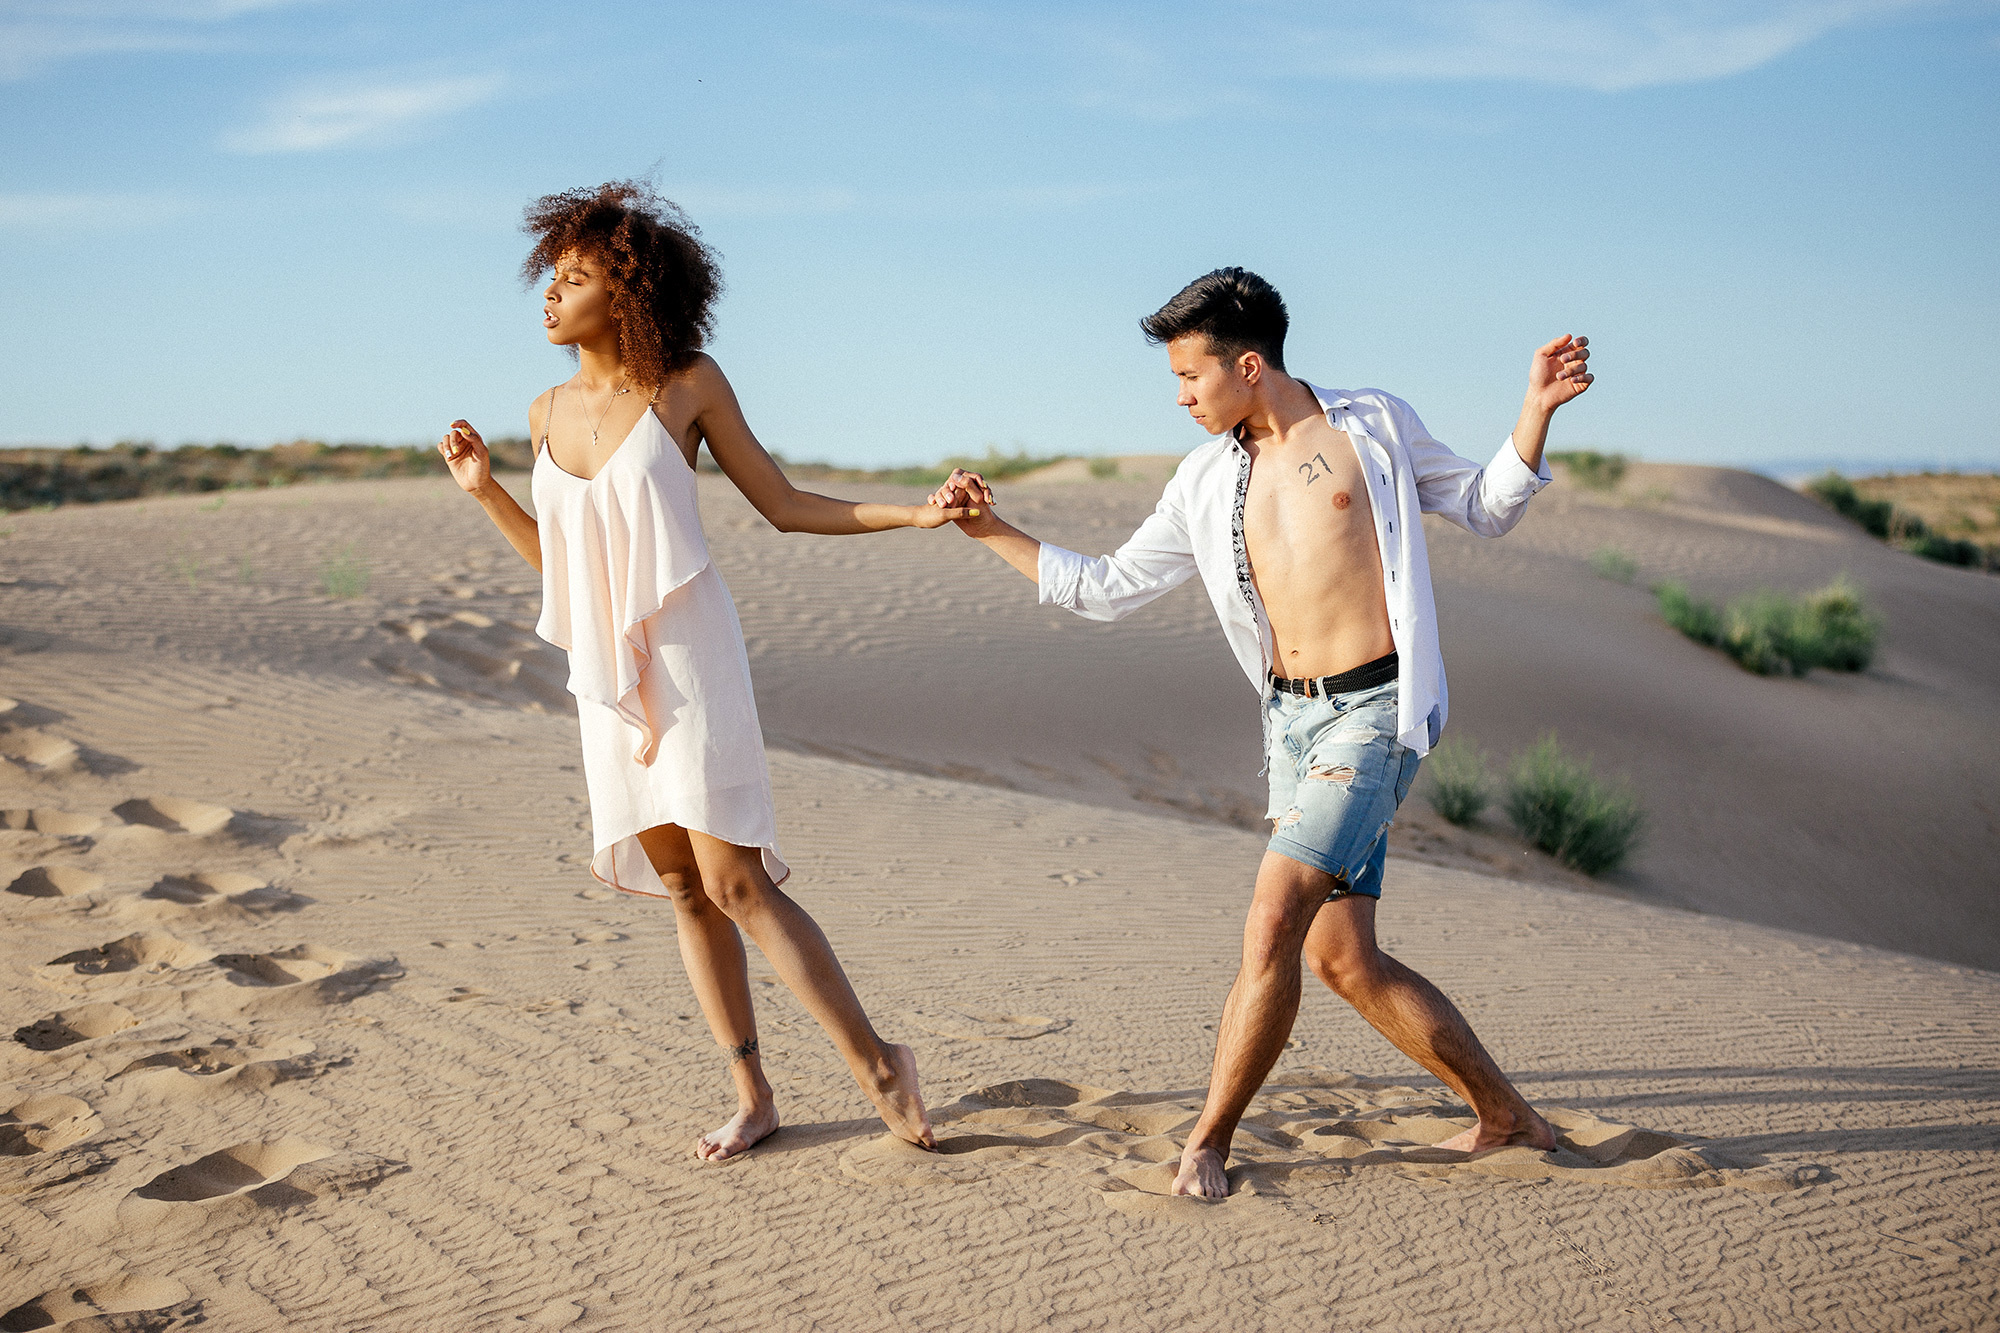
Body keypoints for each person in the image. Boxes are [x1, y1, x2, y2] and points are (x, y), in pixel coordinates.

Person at [929, 268, 1591, 1197]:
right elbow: (1108, 587)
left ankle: (1207, 1139)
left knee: (1275, 917)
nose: (1181, 397)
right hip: (1289, 726)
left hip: (1376, 714)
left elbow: (1484, 506)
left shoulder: (1372, 427)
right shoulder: (1203, 481)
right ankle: (1505, 1114)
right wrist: (992, 530)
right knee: (1341, 957)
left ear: (1248, 364)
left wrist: (1534, 410)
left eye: (1190, 377)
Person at [440, 181, 972, 1160]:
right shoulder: (543, 408)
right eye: (548, 278)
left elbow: (779, 501)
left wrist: (913, 513)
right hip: (606, 669)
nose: (550, 296)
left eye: (574, 277)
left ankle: (877, 1061)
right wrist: (483, 493)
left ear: (629, 289)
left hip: (686, 656)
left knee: (734, 882)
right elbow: (565, 567)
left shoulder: (688, 382)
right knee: (681, 887)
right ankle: (751, 1092)